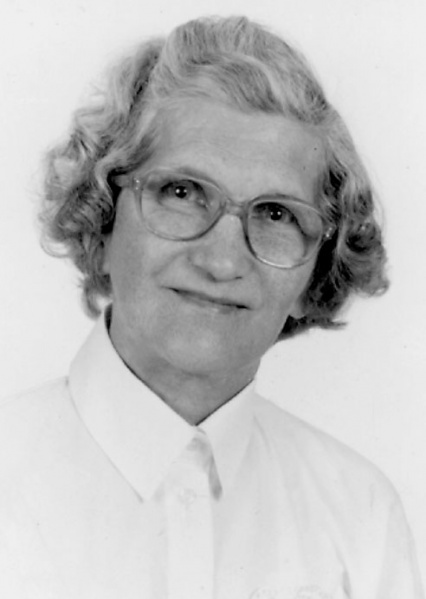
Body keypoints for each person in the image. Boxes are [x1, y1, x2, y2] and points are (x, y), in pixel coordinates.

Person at [0, 15, 423, 599]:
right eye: (181, 192)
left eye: (277, 214)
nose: (223, 261)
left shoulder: (361, 517)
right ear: (101, 221)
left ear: (315, 272)